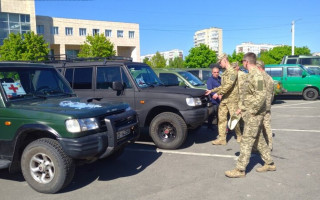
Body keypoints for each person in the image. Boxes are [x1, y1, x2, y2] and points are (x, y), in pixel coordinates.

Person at [225, 52, 276, 178]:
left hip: (255, 114)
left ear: (246, 62)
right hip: (249, 112)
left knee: (246, 141)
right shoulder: (251, 75)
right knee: (259, 139)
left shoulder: (257, 76)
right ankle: (269, 163)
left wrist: (252, 111)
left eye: (243, 61)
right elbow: (247, 96)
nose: (243, 63)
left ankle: (240, 169)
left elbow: (261, 96)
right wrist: (240, 109)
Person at [205, 53, 242, 145]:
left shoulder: (233, 72)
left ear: (225, 60)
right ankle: (222, 138)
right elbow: (222, 86)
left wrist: (218, 93)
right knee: (221, 118)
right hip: (225, 99)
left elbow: (229, 85)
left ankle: (239, 135)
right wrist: (212, 91)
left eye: (220, 62)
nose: (219, 64)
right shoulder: (224, 73)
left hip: (232, 99)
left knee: (234, 119)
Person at [257, 60, 274, 150]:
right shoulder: (270, 78)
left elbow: (259, 92)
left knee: (258, 126)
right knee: (267, 126)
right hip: (267, 106)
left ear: (259, 67)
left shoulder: (260, 78)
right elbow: (272, 94)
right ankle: (269, 144)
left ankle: (259, 147)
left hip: (261, 106)